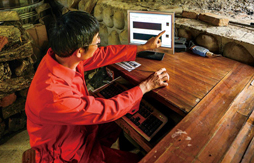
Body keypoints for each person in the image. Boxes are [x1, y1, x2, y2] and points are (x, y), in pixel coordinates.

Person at [26, 11, 170, 163]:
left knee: (122, 119)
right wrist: (145, 86)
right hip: (68, 154)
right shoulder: (54, 96)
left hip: (78, 131)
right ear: (80, 51)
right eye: (97, 42)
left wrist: (143, 47)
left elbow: (102, 55)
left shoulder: (61, 57)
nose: (99, 43)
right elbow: (106, 110)